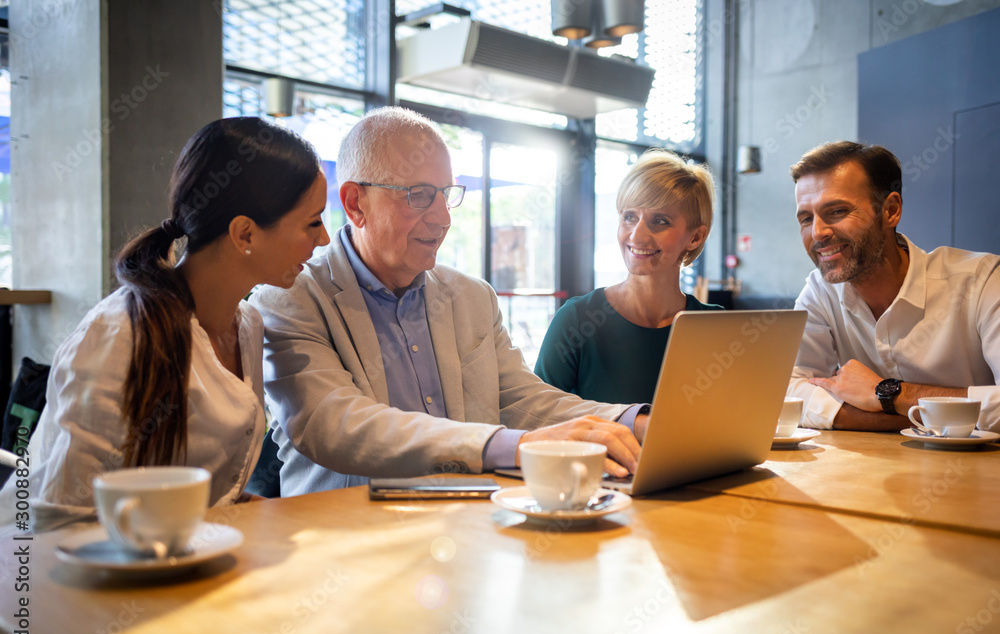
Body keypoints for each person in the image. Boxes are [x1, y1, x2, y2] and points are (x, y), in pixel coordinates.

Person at [251, 107, 647, 496]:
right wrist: (515, 448)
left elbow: (522, 399)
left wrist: (634, 422)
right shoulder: (289, 297)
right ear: (355, 204)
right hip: (348, 542)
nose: (443, 218)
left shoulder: (472, 297)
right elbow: (337, 425)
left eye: (446, 195)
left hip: (468, 529)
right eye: (420, 196)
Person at [0, 117, 330, 531]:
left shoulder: (247, 327)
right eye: (313, 222)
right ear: (245, 234)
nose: (325, 240)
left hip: (179, 561)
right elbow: (60, 521)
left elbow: (210, 490)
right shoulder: (122, 335)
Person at [786, 140, 1000, 432]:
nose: (818, 232)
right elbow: (790, 391)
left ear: (890, 211)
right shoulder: (820, 292)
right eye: (806, 218)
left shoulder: (982, 280)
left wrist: (890, 393)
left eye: (837, 211)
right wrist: (902, 416)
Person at [534, 148, 721, 404]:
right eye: (630, 217)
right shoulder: (577, 320)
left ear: (695, 237)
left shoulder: (717, 327)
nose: (636, 236)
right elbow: (537, 417)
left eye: (660, 221)